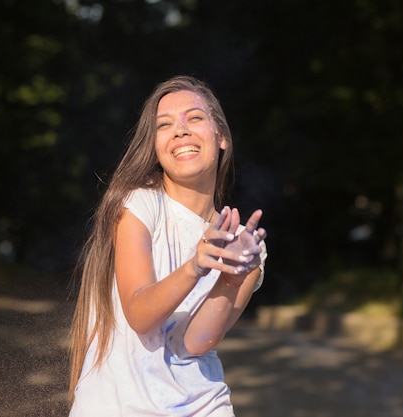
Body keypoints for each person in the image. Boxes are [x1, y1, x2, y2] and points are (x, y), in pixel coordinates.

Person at [68, 75, 268, 417]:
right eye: (165, 124)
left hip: (204, 406)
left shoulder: (245, 247)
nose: (180, 130)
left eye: (194, 118)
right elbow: (140, 315)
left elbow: (195, 343)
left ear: (220, 136)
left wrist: (233, 278)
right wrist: (196, 265)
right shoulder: (138, 206)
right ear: (157, 147)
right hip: (117, 407)